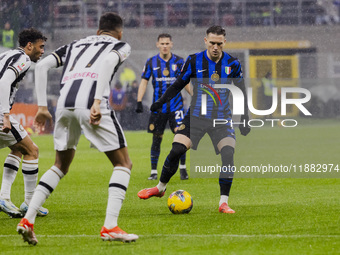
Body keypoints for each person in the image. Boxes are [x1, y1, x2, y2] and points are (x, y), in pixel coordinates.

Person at [17, 12, 138, 245]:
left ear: (98, 31)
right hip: (91, 103)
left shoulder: (76, 44)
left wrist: (42, 107)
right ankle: (110, 227)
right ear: (119, 31)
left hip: (64, 104)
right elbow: (107, 62)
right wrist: (97, 101)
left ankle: (27, 221)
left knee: (60, 165)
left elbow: (41, 66)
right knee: (123, 163)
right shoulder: (121, 44)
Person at [137, 25, 251, 214]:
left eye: (219, 43)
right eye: (212, 43)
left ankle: (223, 202)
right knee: (176, 150)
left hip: (221, 119)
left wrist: (245, 117)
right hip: (196, 116)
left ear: (224, 43)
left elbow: (241, 91)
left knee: (228, 154)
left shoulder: (233, 63)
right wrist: (160, 101)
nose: (215, 47)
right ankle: (160, 188)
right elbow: (177, 85)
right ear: (205, 41)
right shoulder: (193, 61)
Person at [0, 28, 47, 218]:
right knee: (32, 150)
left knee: (18, 148)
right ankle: (29, 202)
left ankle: (5, 196)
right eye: (41, 46)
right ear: (29, 46)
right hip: (0, 113)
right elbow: (3, 82)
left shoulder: (6, 54)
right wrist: (5, 115)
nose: (42, 51)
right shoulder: (23, 59)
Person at [136, 33, 189, 180]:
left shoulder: (179, 62)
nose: (165, 46)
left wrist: (195, 97)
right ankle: (154, 172)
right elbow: (144, 82)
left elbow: (186, 82)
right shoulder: (151, 62)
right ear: (157, 45)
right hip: (159, 108)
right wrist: (139, 100)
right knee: (157, 138)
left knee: (181, 137)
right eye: (162, 44)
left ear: (171, 44)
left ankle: (183, 169)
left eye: (167, 43)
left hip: (177, 106)